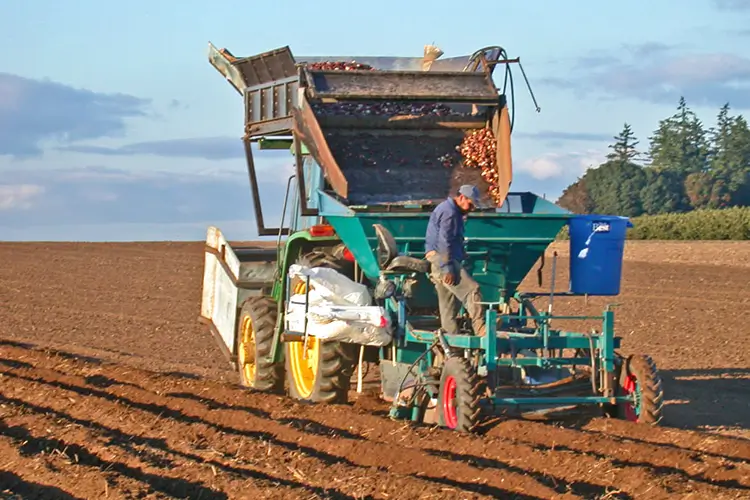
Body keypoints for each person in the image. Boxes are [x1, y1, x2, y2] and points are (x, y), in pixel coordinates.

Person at [424, 185, 486, 337]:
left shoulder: (450, 210)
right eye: (470, 204)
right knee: (472, 290)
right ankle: (481, 329)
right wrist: (447, 268)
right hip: (443, 260)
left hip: (438, 260)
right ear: (462, 197)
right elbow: (444, 242)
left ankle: (453, 352)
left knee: (448, 309)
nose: (471, 208)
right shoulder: (450, 212)